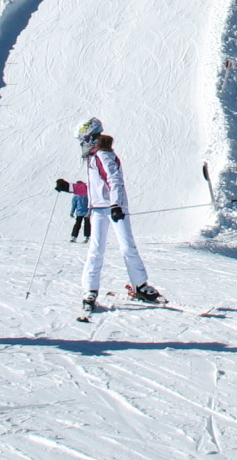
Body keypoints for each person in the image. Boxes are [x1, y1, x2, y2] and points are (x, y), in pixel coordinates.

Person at [62, 118, 164, 314]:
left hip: (114, 209)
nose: (82, 145)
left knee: (127, 246)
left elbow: (114, 180)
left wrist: (116, 204)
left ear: (91, 138)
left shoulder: (103, 154)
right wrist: (70, 187)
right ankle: (90, 289)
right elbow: (93, 187)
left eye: (84, 141)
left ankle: (140, 285)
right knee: (96, 248)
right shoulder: (92, 157)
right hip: (99, 209)